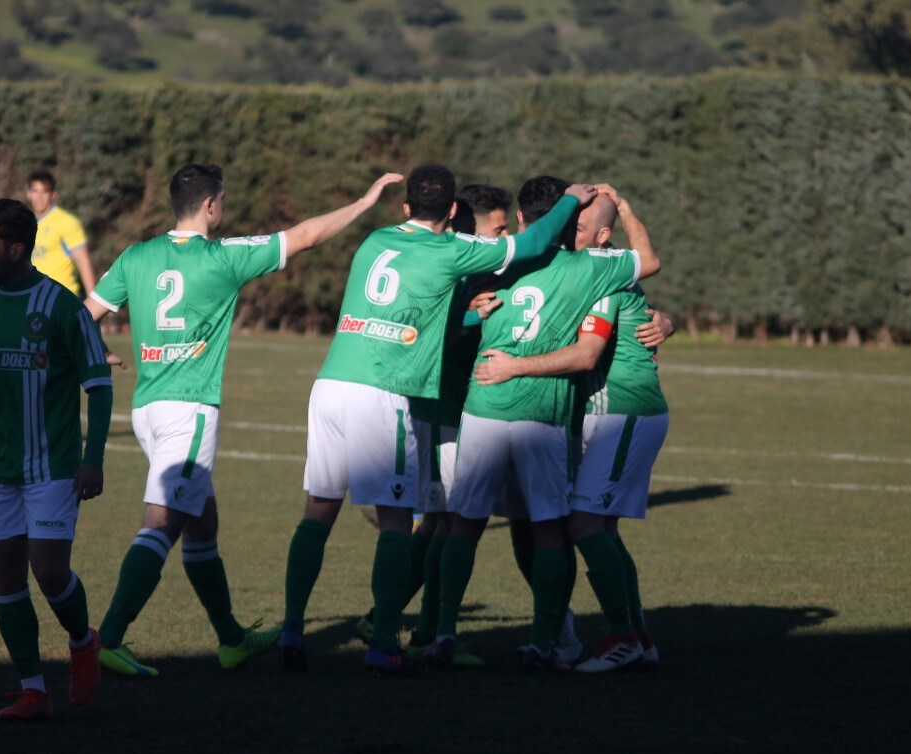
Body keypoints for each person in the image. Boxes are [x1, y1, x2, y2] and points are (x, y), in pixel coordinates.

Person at [84, 164, 404, 678]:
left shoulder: (135, 256)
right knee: (163, 524)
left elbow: (86, 315)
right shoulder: (223, 257)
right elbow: (305, 236)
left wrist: (96, 353)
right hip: (189, 410)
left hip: (146, 408)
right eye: (223, 202)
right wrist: (365, 204)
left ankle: (231, 638)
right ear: (212, 204)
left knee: (201, 521)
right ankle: (109, 637)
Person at [279, 163, 594, 674]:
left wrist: (471, 315)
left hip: (330, 383)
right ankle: (383, 642)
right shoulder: (453, 249)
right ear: (452, 212)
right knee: (399, 522)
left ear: (406, 209)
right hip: (381, 392)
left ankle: (292, 628)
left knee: (318, 509)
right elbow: (532, 245)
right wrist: (570, 200)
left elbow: (420, 316)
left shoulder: (376, 241)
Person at [430, 178, 661, 673]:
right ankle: (544, 641)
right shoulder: (590, 269)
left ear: (519, 221)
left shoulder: (493, 260)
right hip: (543, 416)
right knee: (552, 531)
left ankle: (445, 630)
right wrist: (621, 203)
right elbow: (648, 262)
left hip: (484, 406)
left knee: (464, 525)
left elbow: (442, 316)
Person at [0, 198, 113, 721]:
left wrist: (93, 457)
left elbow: (99, 385)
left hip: (53, 465)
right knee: (6, 575)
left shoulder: (62, 308)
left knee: (49, 569)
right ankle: (33, 690)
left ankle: (83, 643)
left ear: (17, 249)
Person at [352, 183, 513, 667]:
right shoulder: (455, 269)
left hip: (448, 409)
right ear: (471, 225)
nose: (507, 237)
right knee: (458, 520)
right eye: (499, 229)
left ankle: (410, 623)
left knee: (443, 522)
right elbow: (426, 331)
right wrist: (470, 318)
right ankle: (435, 631)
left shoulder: (472, 267)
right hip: (443, 410)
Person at [26, 170, 97, 298]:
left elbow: (84, 262)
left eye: (44, 192)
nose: (39, 197)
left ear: (53, 195)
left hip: (61, 298)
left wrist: (92, 306)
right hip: (32, 300)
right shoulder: (24, 224)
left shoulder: (67, 222)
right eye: (35, 191)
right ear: (28, 194)